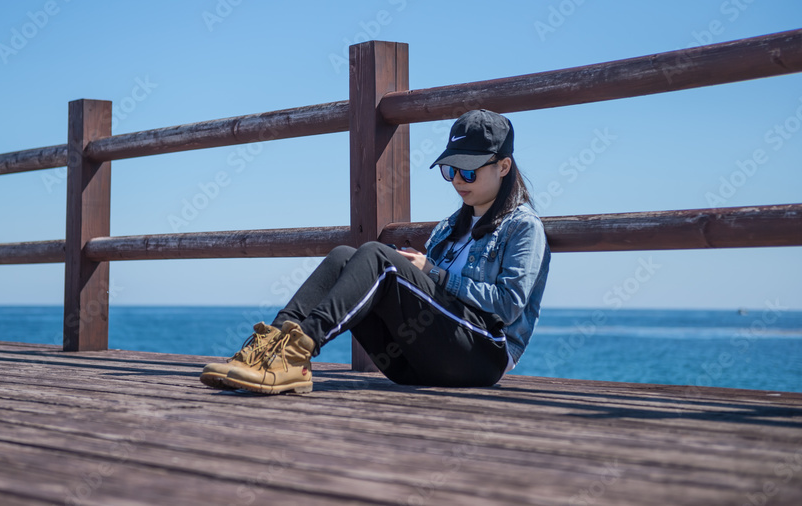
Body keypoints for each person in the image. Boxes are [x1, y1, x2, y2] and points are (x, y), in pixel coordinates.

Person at [200, 109, 550, 394]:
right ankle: (268, 348)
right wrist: (419, 272)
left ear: (503, 166)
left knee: (376, 255)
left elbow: (508, 304)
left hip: (481, 357)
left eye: (468, 171)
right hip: (416, 361)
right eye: (450, 169)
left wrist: (433, 272)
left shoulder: (522, 226)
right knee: (343, 256)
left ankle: (298, 353)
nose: (458, 179)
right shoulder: (447, 229)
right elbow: (431, 302)